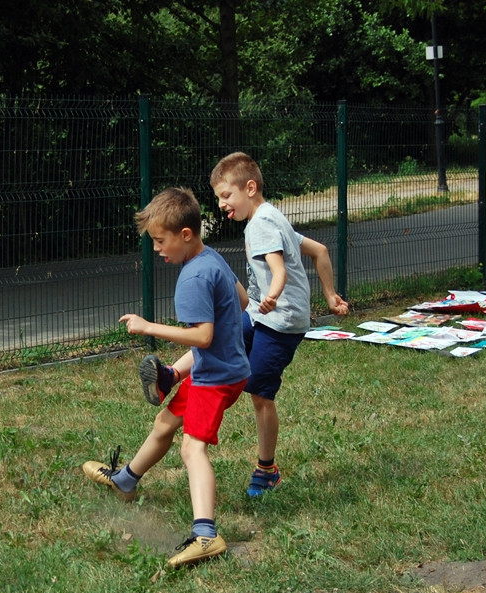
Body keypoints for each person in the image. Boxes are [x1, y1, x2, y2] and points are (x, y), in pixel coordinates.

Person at [139, 152, 349, 498]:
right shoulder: (272, 216)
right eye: (219, 197)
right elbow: (321, 251)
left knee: (260, 394)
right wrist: (329, 295)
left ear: (250, 188)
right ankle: (171, 375)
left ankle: (267, 470)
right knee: (224, 335)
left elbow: (279, 271)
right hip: (263, 313)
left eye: (226, 196)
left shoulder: (262, 224)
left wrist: (273, 296)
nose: (222, 205)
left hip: (279, 324)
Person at [82, 186, 250, 568]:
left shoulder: (192, 279)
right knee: (164, 423)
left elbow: (203, 336)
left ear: (185, 234)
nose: (156, 248)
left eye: (160, 240)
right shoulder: (213, 259)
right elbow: (241, 303)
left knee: (192, 449)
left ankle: (206, 535)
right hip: (218, 367)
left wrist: (148, 327)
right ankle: (125, 480)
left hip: (217, 378)